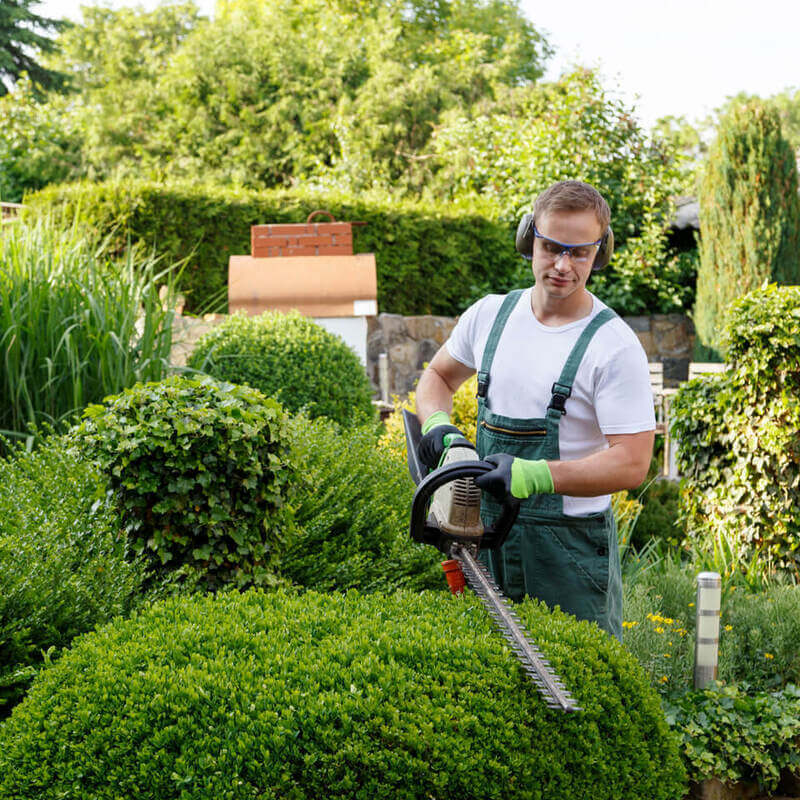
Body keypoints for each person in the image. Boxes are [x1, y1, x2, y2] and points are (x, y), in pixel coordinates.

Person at [414, 180, 655, 640]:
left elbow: (632, 462)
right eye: (551, 247)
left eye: (579, 252)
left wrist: (536, 475)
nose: (563, 265)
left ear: (599, 254)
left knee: (582, 687)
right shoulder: (489, 316)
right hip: (483, 537)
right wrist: (440, 429)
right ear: (530, 240)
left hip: (567, 553)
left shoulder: (613, 345)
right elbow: (438, 378)